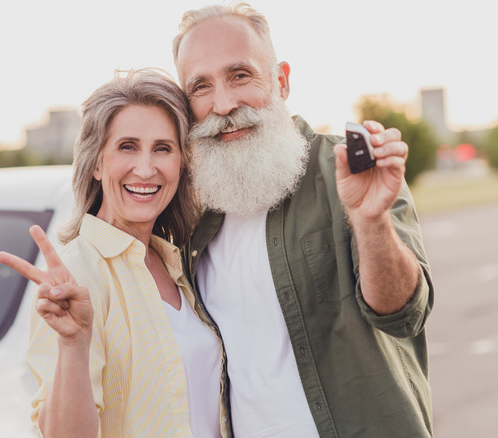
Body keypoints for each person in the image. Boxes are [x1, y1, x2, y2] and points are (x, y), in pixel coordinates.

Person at [172, 3, 435, 437]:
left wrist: (370, 221)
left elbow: (404, 314)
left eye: (240, 75)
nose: (224, 104)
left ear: (281, 80)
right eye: (201, 87)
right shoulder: (193, 215)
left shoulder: (350, 170)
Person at [0, 69, 229, 438]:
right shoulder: (78, 275)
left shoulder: (176, 261)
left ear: (181, 164)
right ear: (96, 164)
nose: (146, 168)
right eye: (127, 146)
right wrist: (74, 344)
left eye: (163, 148)